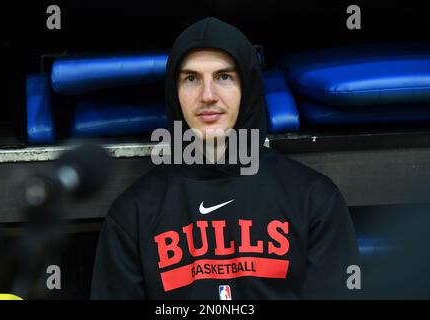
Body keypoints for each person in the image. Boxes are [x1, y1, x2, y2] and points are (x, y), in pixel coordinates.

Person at [90, 17, 360, 299]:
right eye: (191, 78)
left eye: (224, 77)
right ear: (174, 92)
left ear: (249, 88)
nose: (208, 96)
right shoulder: (131, 214)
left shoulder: (314, 200)